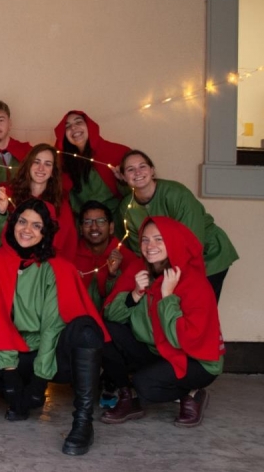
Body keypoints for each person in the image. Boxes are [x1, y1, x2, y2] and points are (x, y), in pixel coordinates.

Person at [0, 198, 109, 456]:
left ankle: (84, 422)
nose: (27, 230)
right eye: (22, 221)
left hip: (49, 356)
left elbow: (52, 326)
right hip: (12, 353)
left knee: (86, 330)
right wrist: (10, 376)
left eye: (37, 225)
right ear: (13, 224)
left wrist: (40, 381)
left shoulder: (59, 267)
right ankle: (16, 392)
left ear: (46, 232)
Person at [100, 217, 224, 428]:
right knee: (103, 331)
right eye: (145, 240)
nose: (150, 246)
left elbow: (185, 340)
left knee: (146, 386)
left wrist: (167, 297)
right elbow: (111, 315)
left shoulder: (194, 282)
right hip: (158, 350)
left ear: (173, 242)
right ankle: (128, 396)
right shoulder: (139, 269)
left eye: (159, 239)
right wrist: (135, 294)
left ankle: (192, 394)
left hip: (195, 359)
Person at [116, 150, 238, 301]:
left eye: (142, 166)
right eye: (130, 169)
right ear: (123, 176)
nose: (137, 172)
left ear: (152, 170)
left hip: (207, 255)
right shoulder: (126, 207)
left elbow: (192, 240)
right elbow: (140, 248)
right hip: (167, 265)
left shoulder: (177, 194)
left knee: (197, 307)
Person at [0, 143, 78, 261]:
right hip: (8, 261)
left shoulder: (60, 204)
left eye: (47, 164)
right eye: (36, 162)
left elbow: (66, 246)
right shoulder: (7, 193)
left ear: (53, 171)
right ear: (28, 165)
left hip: (42, 265)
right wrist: (1, 213)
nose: (41, 168)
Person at [54, 110, 131, 216]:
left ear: (89, 126)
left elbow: (133, 193)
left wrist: (122, 182)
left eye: (78, 122)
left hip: (116, 218)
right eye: (67, 126)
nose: (73, 128)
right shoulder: (62, 161)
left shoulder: (118, 152)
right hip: (82, 221)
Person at [75, 200, 138, 310]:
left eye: (100, 221)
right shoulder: (70, 255)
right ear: (80, 229)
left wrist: (113, 275)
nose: (94, 227)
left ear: (111, 227)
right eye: (87, 222)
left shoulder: (127, 258)